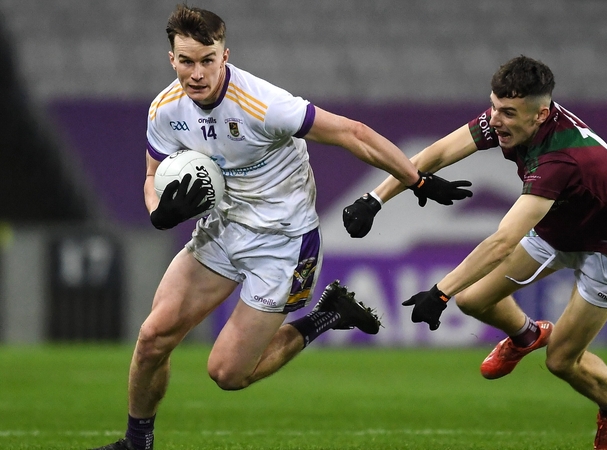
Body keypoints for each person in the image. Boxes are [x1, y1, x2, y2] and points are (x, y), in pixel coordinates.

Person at [90, 5, 472, 450]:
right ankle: (137, 444)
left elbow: (353, 133)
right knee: (153, 337)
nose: (197, 73)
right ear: (171, 59)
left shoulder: (263, 103)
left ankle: (330, 313)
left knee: (227, 375)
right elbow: (152, 176)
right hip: (222, 231)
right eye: (186, 61)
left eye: (207, 60)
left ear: (225, 55)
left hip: (283, 245)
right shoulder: (166, 109)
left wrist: (416, 178)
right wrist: (159, 212)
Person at [343, 55, 607, 449]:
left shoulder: (561, 159)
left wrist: (439, 292)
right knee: (472, 299)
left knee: (561, 361)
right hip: (556, 229)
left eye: (507, 112)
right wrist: (375, 198)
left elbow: (502, 241)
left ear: (540, 115)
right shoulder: (513, 121)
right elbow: (435, 153)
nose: (495, 119)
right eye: (494, 106)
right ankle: (526, 336)